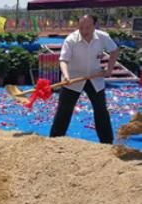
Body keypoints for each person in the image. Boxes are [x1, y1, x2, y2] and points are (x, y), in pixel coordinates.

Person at [50, 14, 118, 144]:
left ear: (95, 26)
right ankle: (54, 140)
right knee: (64, 110)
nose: (84, 31)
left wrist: (109, 69)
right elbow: (63, 60)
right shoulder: (71, 40)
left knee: (101, 110)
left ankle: (107, 142)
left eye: (88, 27)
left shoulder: (103, 37)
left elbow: (114, 51)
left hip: (95, 77)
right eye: (81, 27)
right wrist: (66, 75)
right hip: (73, 78)